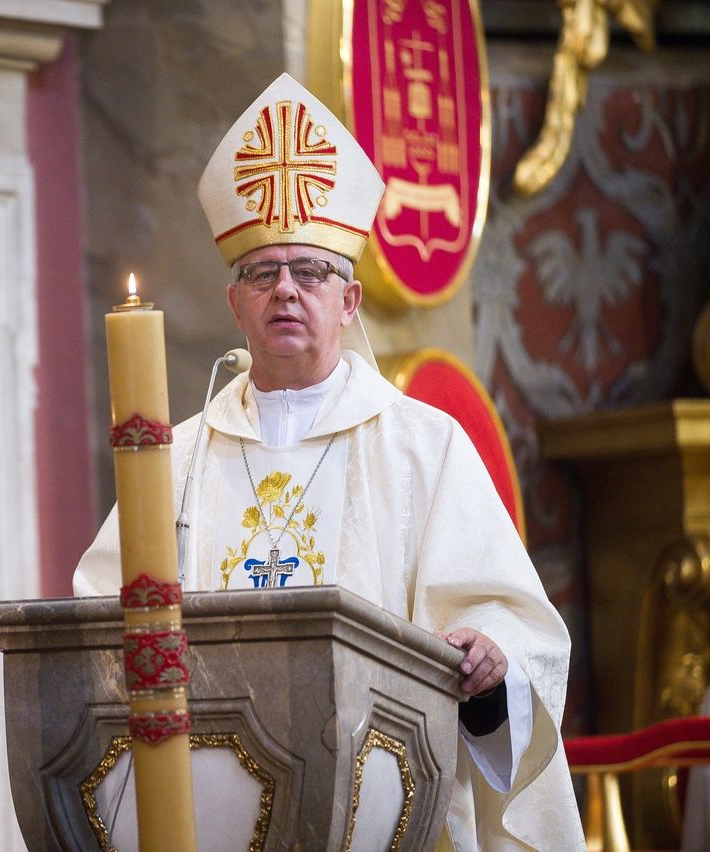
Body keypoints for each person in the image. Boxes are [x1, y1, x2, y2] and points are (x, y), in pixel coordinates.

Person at [73, 72, 586, 851]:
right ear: (234, 301)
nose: (286, 290)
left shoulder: (422, 445)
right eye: (261, 272)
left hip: (377, 810)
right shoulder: (172, 462)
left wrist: (490, 661)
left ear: (348, 302)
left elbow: (508, 626)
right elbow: (96, 632)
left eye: (310, 271)